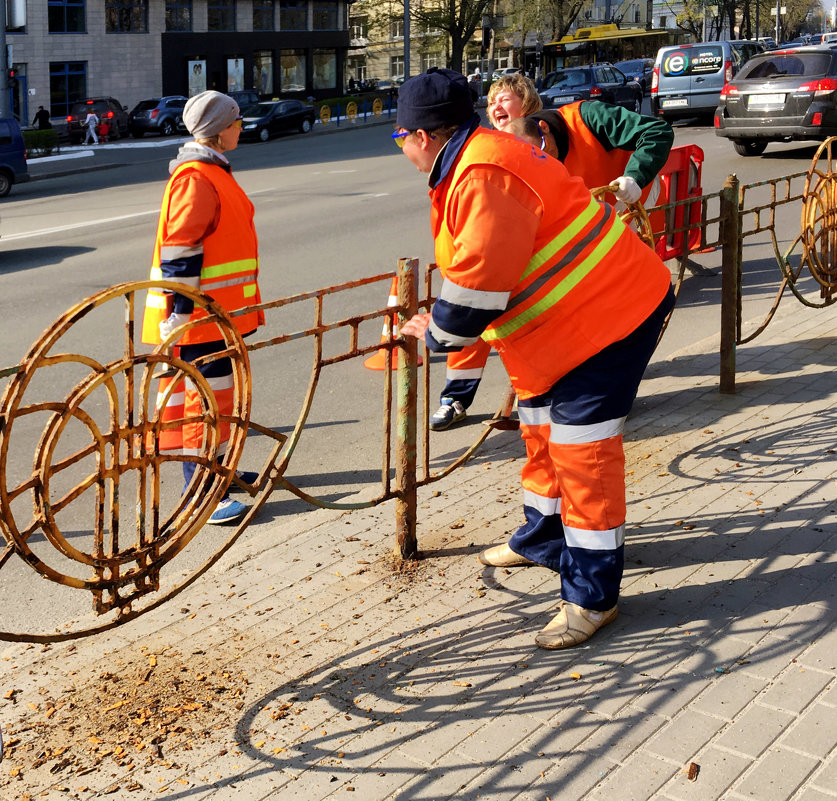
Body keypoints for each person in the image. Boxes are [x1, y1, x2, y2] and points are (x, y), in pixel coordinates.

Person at [395, 67, 675, 649]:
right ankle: (544, 538)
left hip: (606, 321)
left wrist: (434, 335)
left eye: (399, 140)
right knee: (540, 429)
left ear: (421, 136)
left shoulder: (483, 172)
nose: (402, 151)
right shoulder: (479, 156)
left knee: (582, 453)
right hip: (569, 327)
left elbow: (476, 288)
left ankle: (593, 596)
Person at [429, 81, 674, 432]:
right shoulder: (501, 149)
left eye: (504, 99)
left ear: (539, 123)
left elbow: (656, 131)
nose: (495, 106)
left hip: (613, 231)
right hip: (564, 245)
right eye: (491, 101)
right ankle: (458, 395)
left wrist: (635, 177)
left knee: (600, 326)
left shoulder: (588, 117)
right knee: (491, 304)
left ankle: (597, 391)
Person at [141, 90, 264, 525]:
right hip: (199, 319)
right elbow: (180, 251)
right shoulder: (197, 176)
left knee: (219, 397)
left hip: (215, 316)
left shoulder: (210, 171)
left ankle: (220, 472)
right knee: (203, 402)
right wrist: (181, 310)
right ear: (218, 129)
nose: (241, 128)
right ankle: (201, 493)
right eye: (236, 122)